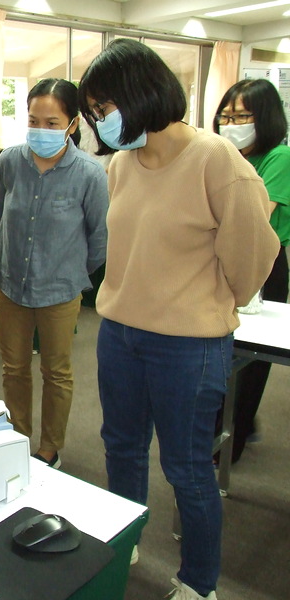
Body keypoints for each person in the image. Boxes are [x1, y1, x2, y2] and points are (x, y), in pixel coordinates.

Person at [78, 39, 279, 600]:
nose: (100, 121)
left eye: (104, 107)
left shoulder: (217, 161)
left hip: (189, 346)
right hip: (120, 334)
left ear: (140, 94)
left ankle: (198, 582)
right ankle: (126, 536)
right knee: (120, 447)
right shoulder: (122, 164)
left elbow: (254, 257)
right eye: (94, 112)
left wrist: (207, 302)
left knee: (188, 468)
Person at [0, 78, 108, 470]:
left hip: (60, 290)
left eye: (52, 123)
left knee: (56, 372)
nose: (41, 130)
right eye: (33, 121)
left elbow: (99, 239)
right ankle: (18, 437)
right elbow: (1, 214)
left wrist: (67, 271)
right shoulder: (8, 163)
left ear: (72, 124)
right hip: (9, 283)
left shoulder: (90, 174)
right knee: (14, 369)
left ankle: (50, 448)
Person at [213, 78, 290, 462]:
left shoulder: (278, 157)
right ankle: (221, 426)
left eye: (242, 116)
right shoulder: (223, 154)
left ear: (265, 118)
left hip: (264, 263)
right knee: (221, 348)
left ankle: (234, 442)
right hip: (220, 258)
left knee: (253, 360)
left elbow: (256, 217)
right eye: (226, 116)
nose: (231, 124)